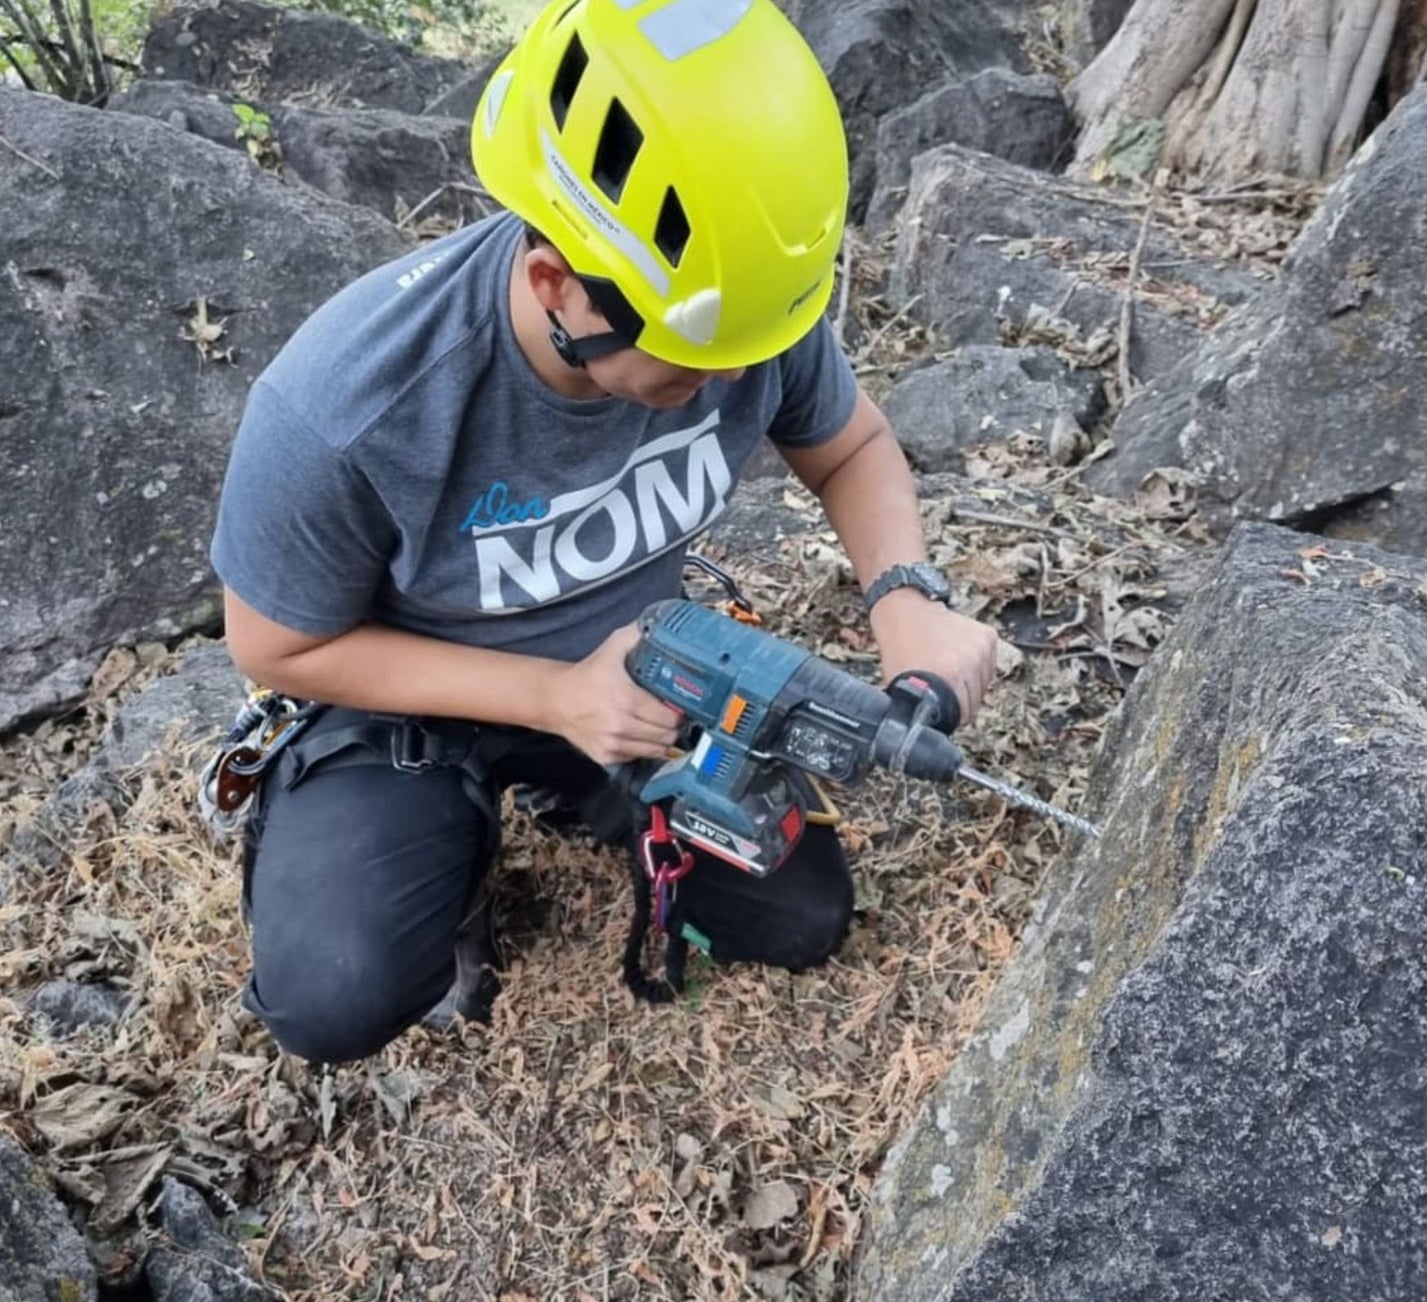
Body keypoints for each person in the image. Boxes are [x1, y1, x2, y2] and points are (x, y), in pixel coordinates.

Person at [209, 0, 998, 1065]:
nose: (727, 387)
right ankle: (440, 838)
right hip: (407, 692)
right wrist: (549, 696)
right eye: (684, 370)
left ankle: (568, 782)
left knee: (798, 915)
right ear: (558, 287)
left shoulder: (734, 313)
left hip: (635, 665)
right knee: (333, 996)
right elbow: (272, 645)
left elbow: (849, 445)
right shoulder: (350, 404)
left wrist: (905, 595)